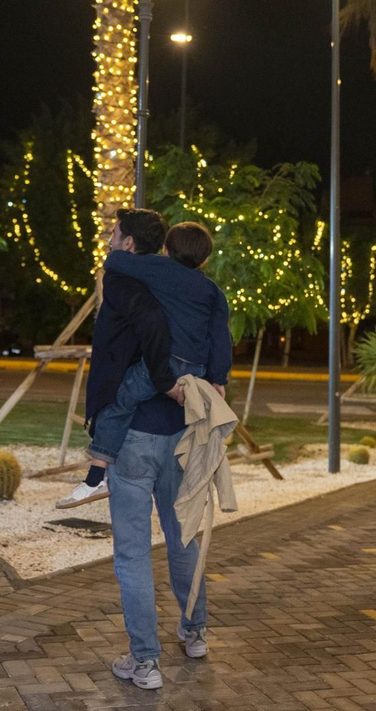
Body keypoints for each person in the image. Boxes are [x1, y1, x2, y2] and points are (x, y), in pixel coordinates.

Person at [86, 208, 230, 690]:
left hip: (136, 436)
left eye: (114, 235)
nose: (110, 240)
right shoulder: (208, 291)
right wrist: (218, 381)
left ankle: (144, 661)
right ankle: (195, 632)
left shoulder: (140, 281)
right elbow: (220, 344)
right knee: (182, 534)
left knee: (131, 552)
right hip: (182, 433)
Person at [59, 220, 229, 510]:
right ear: (205, 260)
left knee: (118, 403)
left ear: (165, 249)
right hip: (197, 368)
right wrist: (218, 378)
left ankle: (95, 478)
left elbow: (117, 260)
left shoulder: (159, 269)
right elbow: (221, 336)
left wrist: (124, 253)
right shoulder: (212, 290)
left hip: (167, 362)